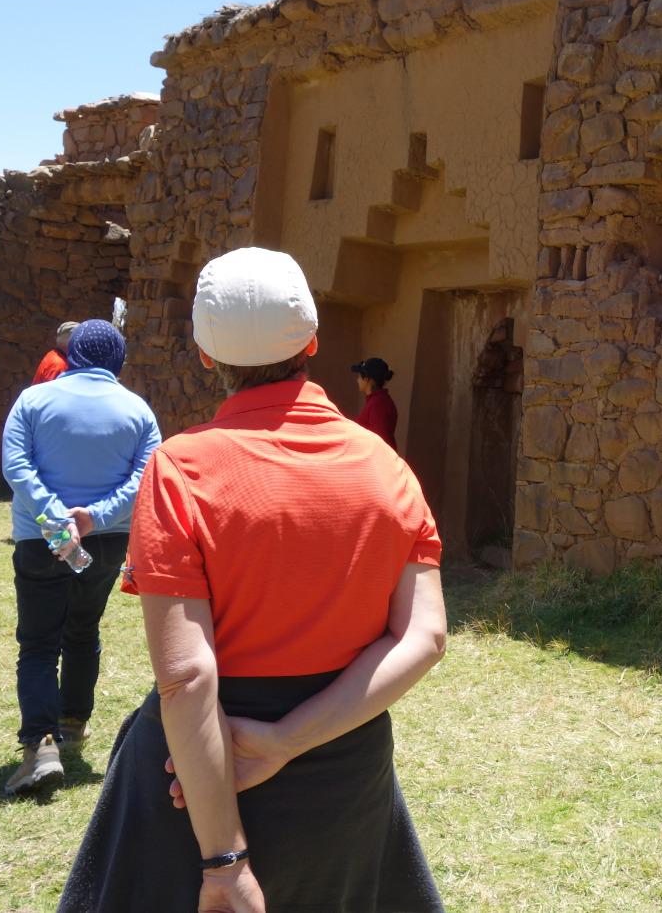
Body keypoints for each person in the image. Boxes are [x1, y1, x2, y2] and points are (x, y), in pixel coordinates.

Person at [59, 247, 447, 913]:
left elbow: (188, 677)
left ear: (206, 356)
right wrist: (286, 739)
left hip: (195, 776)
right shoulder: (388, 469)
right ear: (312, 342)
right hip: (343, 768)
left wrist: (225, 861)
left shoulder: (181, 469)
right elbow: (425, 637)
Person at [1, 319, 161, 796]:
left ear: (71, 356)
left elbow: (16, 466)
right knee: (83, 629)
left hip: (41, 538)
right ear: (118, 361)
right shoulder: (138, 411)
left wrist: (55, 517)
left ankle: (40, 746)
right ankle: (72, 724)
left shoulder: (33, 400)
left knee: (38, 642)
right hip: (106, 540)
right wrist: (94, 517)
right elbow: (146, 477)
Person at [352, 356, 400, 449]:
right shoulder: (376, 401)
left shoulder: (379, 404)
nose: (357, 380)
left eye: (359, 377)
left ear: (367, 379)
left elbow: (380, 441)